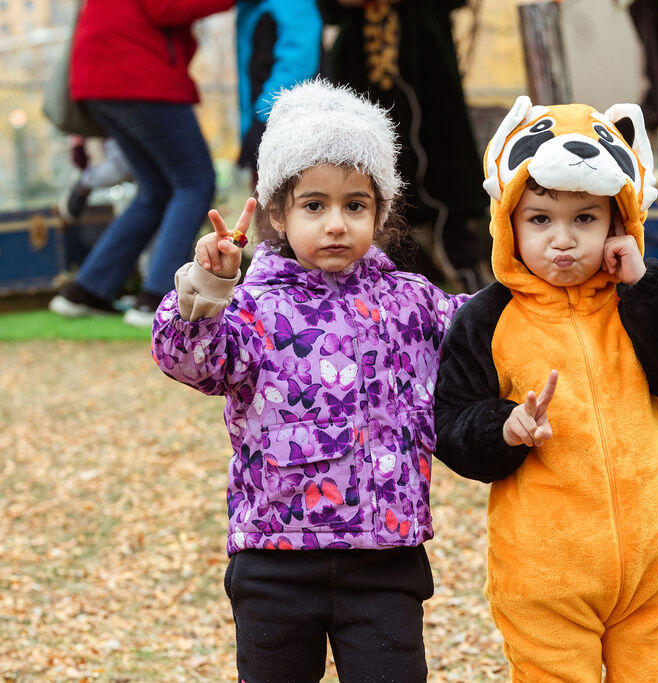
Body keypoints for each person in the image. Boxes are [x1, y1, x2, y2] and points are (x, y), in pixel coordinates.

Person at [151, 79, 468, 681]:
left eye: (355, 205)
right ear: (278, 212)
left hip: (385, 555)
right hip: (275, 558)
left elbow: (483, 330)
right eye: (314, 205)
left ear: (380, 211)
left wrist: (546, 278)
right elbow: (189, 359)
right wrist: (208, 288)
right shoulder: (251, 307)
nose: (336, 224)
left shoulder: (412, 302)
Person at [433, 96, 658, 680]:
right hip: (546, 575)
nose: (562, 240)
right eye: (540, 219)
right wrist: (504, 426)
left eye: (585, 219)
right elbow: (448, 423)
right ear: (509, 222)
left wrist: (646, 284)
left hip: (653, 564)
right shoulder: (488, 319)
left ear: (618, 222)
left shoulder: (636, 299)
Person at [48, 0, 233, 328]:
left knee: (156, 189)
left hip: (100, 78)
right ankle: (156, 297)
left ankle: (87, 289)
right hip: (136, 74)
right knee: (195, 181)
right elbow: (165, 8)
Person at [318, 0, 492, 292]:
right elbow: (328, 9)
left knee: (445, 181)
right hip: (360, 72)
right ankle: (395, 289)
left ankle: (470, 287)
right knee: (374, 183)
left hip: (426, 68)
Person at [235, 0, 322, 184]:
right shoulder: (249, 7)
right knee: (264, 202)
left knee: (292, 199)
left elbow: (297, 64)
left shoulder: (293, 5)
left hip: (289, 125)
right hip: (261, 120)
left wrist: (263, 117)